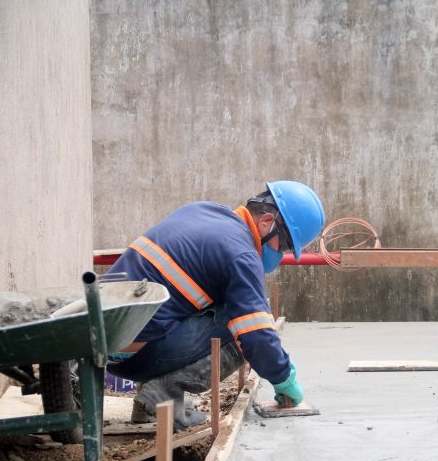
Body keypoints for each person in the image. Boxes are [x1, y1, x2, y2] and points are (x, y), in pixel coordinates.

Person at [106, 180, 325, 430]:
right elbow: (258, 337)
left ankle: (150, 402)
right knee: (244, 325)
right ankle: (163, 393)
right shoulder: (242, 254)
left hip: (113, 344)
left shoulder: (203, 210)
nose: (281, 254)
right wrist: (285, 378)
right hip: (136, 353)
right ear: (266, 222)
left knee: (232, 304)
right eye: (284, 246)